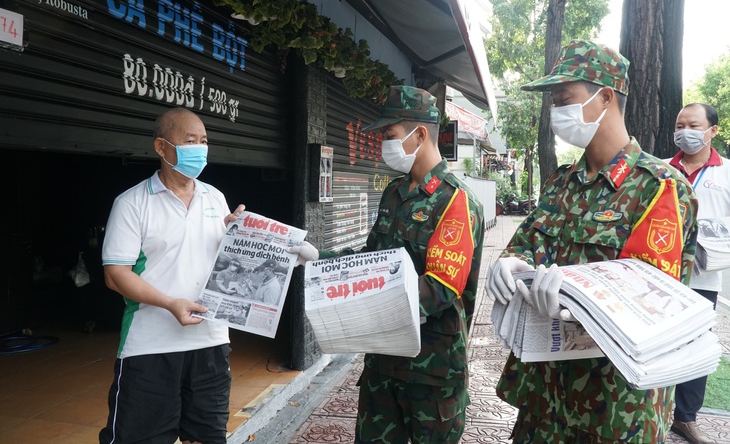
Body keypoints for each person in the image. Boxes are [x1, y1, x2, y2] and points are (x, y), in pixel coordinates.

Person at [486, 40, 698, 443]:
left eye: (564, 99)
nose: (556, 112)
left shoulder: (658, 188)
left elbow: (654, 302)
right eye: (553, 103)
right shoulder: (561, 182)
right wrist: (511, 261)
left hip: (612, 408)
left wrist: (579, 303)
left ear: (604, 97)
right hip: (543, 396)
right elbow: (527, 241)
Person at [289, 85, 485, 443]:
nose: (383, 144)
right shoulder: (394, 193)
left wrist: (362, 303)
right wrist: (320, 259)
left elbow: (439, 288)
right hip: (382, 364)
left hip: (432, 373)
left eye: (389, 134)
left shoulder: (455, 200)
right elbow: (373, 260)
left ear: (420, 134)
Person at [99, 107, 245, 444]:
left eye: (204, 141)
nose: (200, 148)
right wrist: (169, 303)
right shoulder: (132, 203)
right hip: (150, 346)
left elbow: (224, 259)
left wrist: (243, 236)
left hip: (211, 342)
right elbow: (115, 274)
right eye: (190, 140)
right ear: (161, 148)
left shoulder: (215, 197)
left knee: (207, 437)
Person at [666, 103, 730, 444]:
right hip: (658, 277)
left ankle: (685, 418)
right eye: (680, 125)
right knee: (656, 344)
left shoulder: (727, 173)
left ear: (712, 131)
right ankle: (653, 411)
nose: (685, 131)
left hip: (704, 278)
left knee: (695, 348)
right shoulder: (659, 170)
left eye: (693, 124)